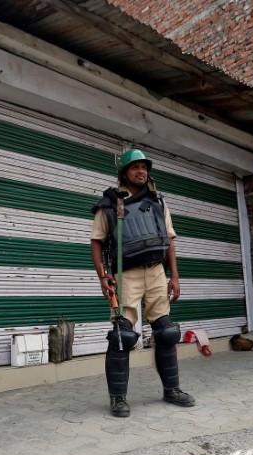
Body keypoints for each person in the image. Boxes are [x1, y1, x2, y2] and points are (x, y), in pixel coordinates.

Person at [90, 148, 195, 417]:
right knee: (121, 336)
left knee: (166, 333)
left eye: (144, 167)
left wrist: (175, 276)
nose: (141, 171)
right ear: (124, 172)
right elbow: (97, 242)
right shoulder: (110, 204)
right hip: (126, 273)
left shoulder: (159, 202)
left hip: (157, 272)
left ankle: (171, 390)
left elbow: (169, 240)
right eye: (135, 167)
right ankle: (118, 398)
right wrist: (103, 276)